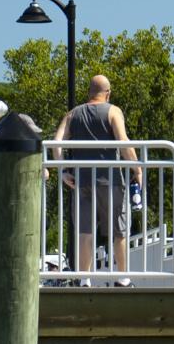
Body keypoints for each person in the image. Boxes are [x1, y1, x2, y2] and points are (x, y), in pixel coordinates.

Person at [53, 75, 143, 277]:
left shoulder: (73, 114)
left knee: (85, 231)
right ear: (108, 93)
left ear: (89, 92)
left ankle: (85, 279)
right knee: (119, 231)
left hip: (82, 181)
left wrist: (62, 170)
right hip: (111, 180)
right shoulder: (113, 111)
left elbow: (56, 142)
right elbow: (123, 141)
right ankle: (123, 277)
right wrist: (137, 169)